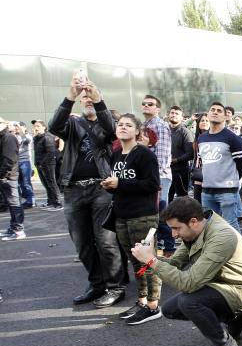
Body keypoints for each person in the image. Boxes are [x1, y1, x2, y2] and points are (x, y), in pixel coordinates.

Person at [131, 197, 242, 346]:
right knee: (171, 309)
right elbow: (176, 263)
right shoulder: (198, 230)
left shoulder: (221, 236)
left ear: (193, 221)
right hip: (221, 283)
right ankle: (236, 318)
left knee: (189, 301)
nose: (174, 235)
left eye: (176, 228)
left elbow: (189, 283)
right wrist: (149, 257)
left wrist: (152, 261)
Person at [50, 73, 125, 307]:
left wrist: (99, 99)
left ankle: (115, 287)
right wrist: (70, 95)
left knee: (105, 241)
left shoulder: (106, 124)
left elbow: (113, 130)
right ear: (81, 102)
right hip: (73, 190)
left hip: (101, 188)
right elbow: (54, 125)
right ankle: (96, 285)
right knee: (82, 243)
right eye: (86, 100)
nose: (89, 101)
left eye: (91, 99)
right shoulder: (72, 123)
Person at [100, 114, 162, 325]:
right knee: (135, 262)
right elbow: (120, 186)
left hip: (142, 217)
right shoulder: (116, 154)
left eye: (128, 125)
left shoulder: (144, 155)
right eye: (120, 124)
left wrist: (120, 184)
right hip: (122, 216)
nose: (123, 127)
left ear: (137, 131)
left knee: (147, 261)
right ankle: (142, 301)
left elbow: (153, 185)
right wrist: (110, 186)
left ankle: (153, 306)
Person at [198, 102, 242, 232]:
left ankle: (239, 252)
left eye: (219, 111)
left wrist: (232, 179)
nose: (215, 112)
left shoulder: (233, 138)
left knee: (231, 226)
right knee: (209, 227)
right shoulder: (202, 138)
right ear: (208, 114)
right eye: (212, 110)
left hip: (227, 191)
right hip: (207, 190)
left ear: (225, 117)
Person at [141, 95, 173, 255]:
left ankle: (168, 248)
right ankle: (158, 246)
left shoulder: (160, 125)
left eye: (150, 104)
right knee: (151, 213)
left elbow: (163, 156)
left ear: (158, 108)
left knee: (160, 213)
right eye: (144, 104)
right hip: (147, 178)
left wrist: (155, 178)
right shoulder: (143, 125)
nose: (146, 106)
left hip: (159, 177)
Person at [0, 117, 24, 241]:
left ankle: (19, 230)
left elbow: (9, 160)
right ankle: (14, 227)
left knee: (14, 203)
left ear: (4, 124)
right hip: (5, 176)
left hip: (9, 176)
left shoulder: (8, 138)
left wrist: (2, 175)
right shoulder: (3, 137)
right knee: (11, 203)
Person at [31, 120, 62, 210]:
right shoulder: (37, 138)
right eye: (35, 126)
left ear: (44, 127)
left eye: (38, 126)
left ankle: (58, 203)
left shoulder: (47, 137)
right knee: (46, 184)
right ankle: (50, 202)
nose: (35, 128)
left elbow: (50, 153)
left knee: (51, 183)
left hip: (48, 164)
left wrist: (43, 163)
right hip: (40, 164)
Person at [167, 105, 194, 201]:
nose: (174, 115)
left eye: (177, 114)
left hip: (180, 171)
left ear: (182, 118)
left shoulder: (185, 132)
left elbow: (191, 154)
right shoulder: (164, 130)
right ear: (168, 115)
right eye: (172, 113)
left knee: (182, 199)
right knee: (166, 198)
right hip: (165, 172)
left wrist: (175, 160)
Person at [190, 113, 210, 203]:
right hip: (198, 174)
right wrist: (191, 120)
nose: (204, 122)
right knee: (197, 202)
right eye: (202, 120)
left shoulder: (214, 137)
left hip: (212, 174)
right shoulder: (196, 138)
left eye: (207, 120)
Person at [14, 122, 35, 208]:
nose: (16, 128)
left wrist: (22, 130)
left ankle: (30, 201)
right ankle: (26, 200)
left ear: (24, 127)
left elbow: (27, 140)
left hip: (25, 162)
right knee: (19, 183)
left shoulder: (27, 136)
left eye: (18, 127)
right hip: (16, 162)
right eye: (16, 127)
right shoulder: (15, 136)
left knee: (26, 182)